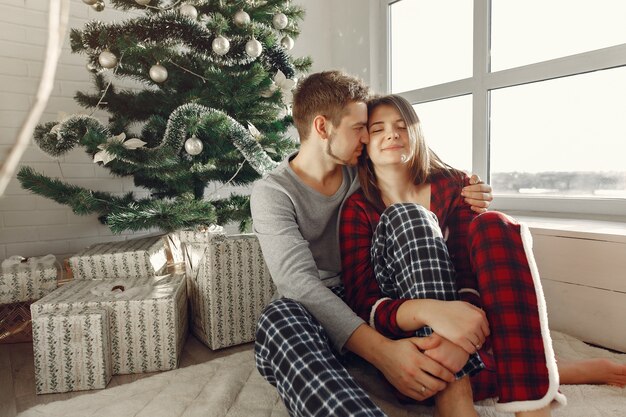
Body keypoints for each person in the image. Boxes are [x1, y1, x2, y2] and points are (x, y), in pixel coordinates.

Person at [339, 94, 626, 417]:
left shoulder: (455, 186)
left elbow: (468, 270)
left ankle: (534, 406)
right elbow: (363, 303)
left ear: (417, 134)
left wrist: (460, 340)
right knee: (410, 216)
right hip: (412, 339)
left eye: (401, 126)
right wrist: (432, 316)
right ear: (364, 142)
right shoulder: (358, 209)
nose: (392, 134)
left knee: (495, 223)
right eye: (378, 129)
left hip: (470, 325)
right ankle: (461, 400)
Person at [250, 71, 493, 417]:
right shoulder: (272, 193)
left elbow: (419, 167)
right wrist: (384, 354)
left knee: (408, 216)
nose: (367, 136)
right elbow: (298, 285)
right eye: (359, 127)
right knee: (278, 319)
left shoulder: (364, 170)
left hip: (380, 295)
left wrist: (471, 189)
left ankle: (454, 393)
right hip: (316, 308)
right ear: (322, 128)